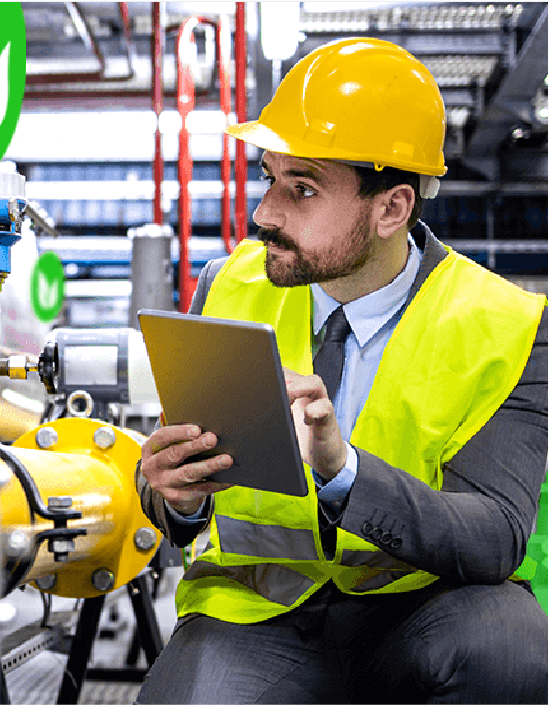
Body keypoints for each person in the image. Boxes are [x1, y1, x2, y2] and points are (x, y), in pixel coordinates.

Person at [135, 37, 548, 704]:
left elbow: (492, 537)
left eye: (302, 188)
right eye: (269, 178)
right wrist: (173, 496)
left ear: (391, 208)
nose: (264, 214)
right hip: (254, 616)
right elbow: (177, 489)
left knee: (513, 651)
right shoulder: (228, 287)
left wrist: (342, 471)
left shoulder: (508, 325)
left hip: (418, 613)